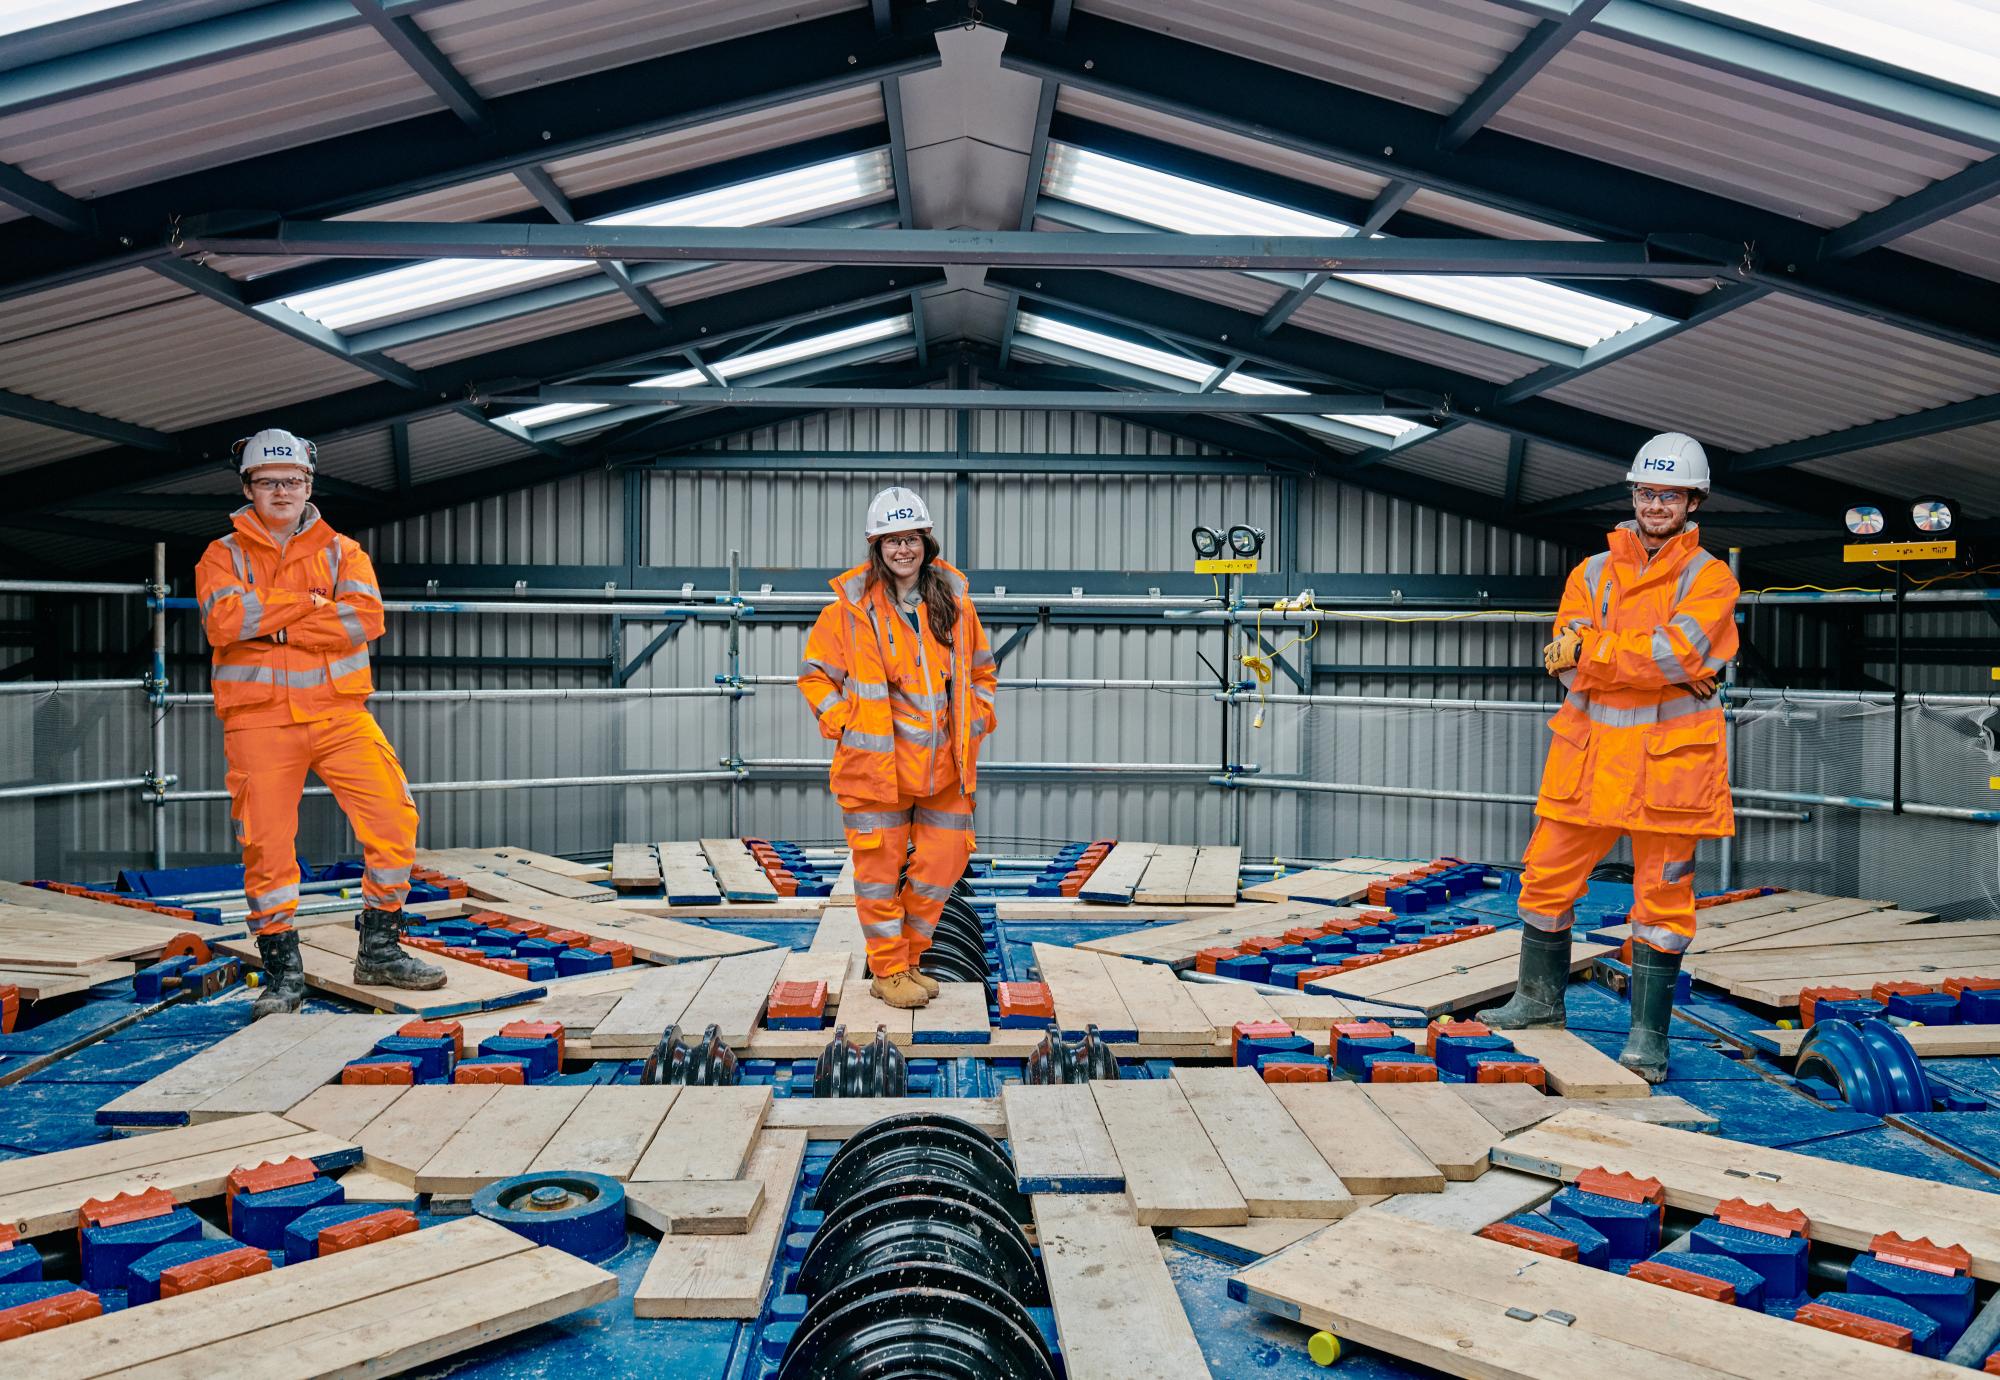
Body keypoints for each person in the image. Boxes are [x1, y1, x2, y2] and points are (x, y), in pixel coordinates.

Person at [1478, 433, 1739, 1083]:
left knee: (1663, 904)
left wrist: (1606, 655)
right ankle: (1539, 1003)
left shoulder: (1709, 577)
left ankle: (1648, 1038)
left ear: (1691, 501)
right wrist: (1654, 665)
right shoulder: (1589, 574)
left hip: (1669, 773)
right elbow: (1570, 669)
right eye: (1647, 492)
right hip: (1588, 764)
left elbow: (1673, 656)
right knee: (1543, 881)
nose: (1656, 504)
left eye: (1669, 494)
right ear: (1633, 495)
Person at [194, 427, 444, 1018]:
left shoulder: (343, 552)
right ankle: (283, 975)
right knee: (267, 846)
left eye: (293, 480)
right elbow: (225, 621)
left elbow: (363, 621)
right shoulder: (221, 554)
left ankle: (379, 950)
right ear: (249, 487)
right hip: (259, 723)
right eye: (269, 481)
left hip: (339, 714)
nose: (282, 491)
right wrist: (310, 606)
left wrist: (273, 623)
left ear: (309, 484)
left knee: (393, 816)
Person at [798, 487, 998, 1010]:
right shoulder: (847, 612)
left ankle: (909, 958)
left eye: (910, 539)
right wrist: (844, 721)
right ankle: (888, 969)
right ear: (877, 547)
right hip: (876, 770)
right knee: (879, 876)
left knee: (943, 865)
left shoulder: (954, 605)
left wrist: (976, 718)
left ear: (925, 543)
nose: (902, 550)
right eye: (891, 541)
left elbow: (982, 673)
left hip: (944, 769)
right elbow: (816, 676)